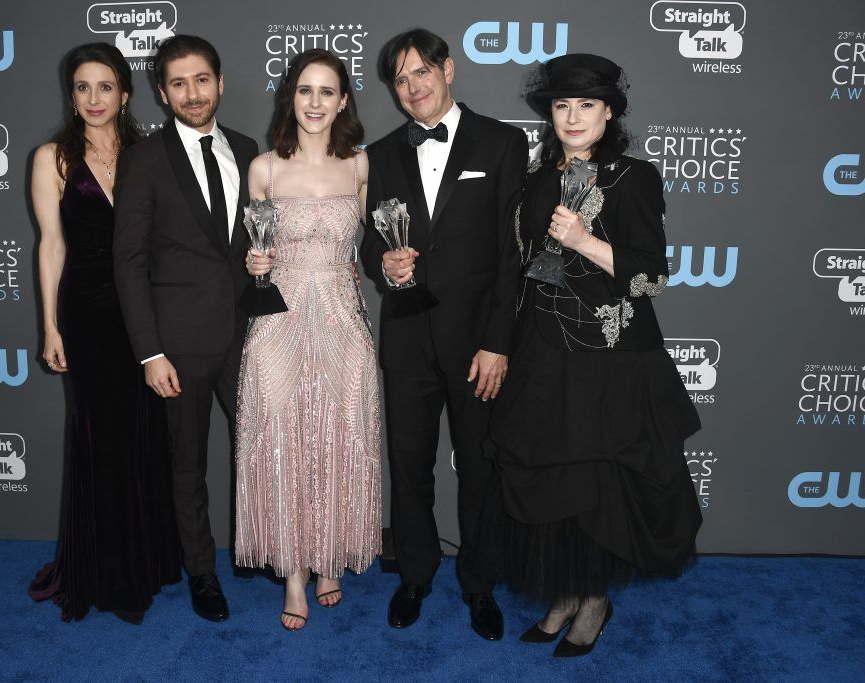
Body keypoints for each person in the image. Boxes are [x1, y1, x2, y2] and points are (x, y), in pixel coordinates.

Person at [467, 53, 702, 657]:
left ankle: (594, 599)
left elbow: (650, 277)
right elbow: (512, 272)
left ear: (610, 112)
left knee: (598, 484)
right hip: (542, 355)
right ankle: (564, 594)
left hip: (610, 358)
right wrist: (498, 342)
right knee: (551, 480)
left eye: (587, 105)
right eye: (562, 105)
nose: (572, 117)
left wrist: (584, 241)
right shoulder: (536, 178)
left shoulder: (634, 177)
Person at [360, 29, 528, 641]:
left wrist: (499, 341)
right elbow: (369, 240)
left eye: (422, 72)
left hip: (478, 342)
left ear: (449, 70)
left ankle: (479, 582)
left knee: (481, 468)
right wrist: (384, 263)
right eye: (401, 80)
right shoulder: (379, 155)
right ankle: (416, 574)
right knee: (408, 465)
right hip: (407, 338)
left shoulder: (505, 143)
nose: (413, 87)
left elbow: (514, 255)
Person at [29, 42, 182, 624]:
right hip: (87, 312)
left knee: (144, 435)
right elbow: (52, 246)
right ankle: (101, 572)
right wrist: (49, 326)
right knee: (98, 436)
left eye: (105, 87)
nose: (93, 99)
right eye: (82, 87)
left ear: (125, 93)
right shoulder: (52, 158)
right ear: (72, 95)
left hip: (145, 311)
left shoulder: (149, 153)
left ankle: (142, 563)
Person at [112, 35, 259, 623]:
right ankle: (202, 572)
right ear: (161, 92)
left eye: (202, 80)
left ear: (220, 83)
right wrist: (150, 352)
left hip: (250, 333)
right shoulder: (144, 158)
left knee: (258, 456)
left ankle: (258, 551)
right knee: (187, 465)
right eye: (178, 83)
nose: (192, 93)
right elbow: (129, 261)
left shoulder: (249, 150)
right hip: (178, 343)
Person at [236, 49, 381, 632]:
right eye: (304, 91)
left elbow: (367, 250)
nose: (315, 102)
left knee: (340, 434)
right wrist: (254, 262)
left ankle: (331, 555)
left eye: (327, 91)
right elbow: (255, 248)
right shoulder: (264, 168)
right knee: (281, 437)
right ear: (289, 98)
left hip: (344, 321)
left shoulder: (361, 167)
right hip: (278, 320)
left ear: (344, 100)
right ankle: (294, 571)